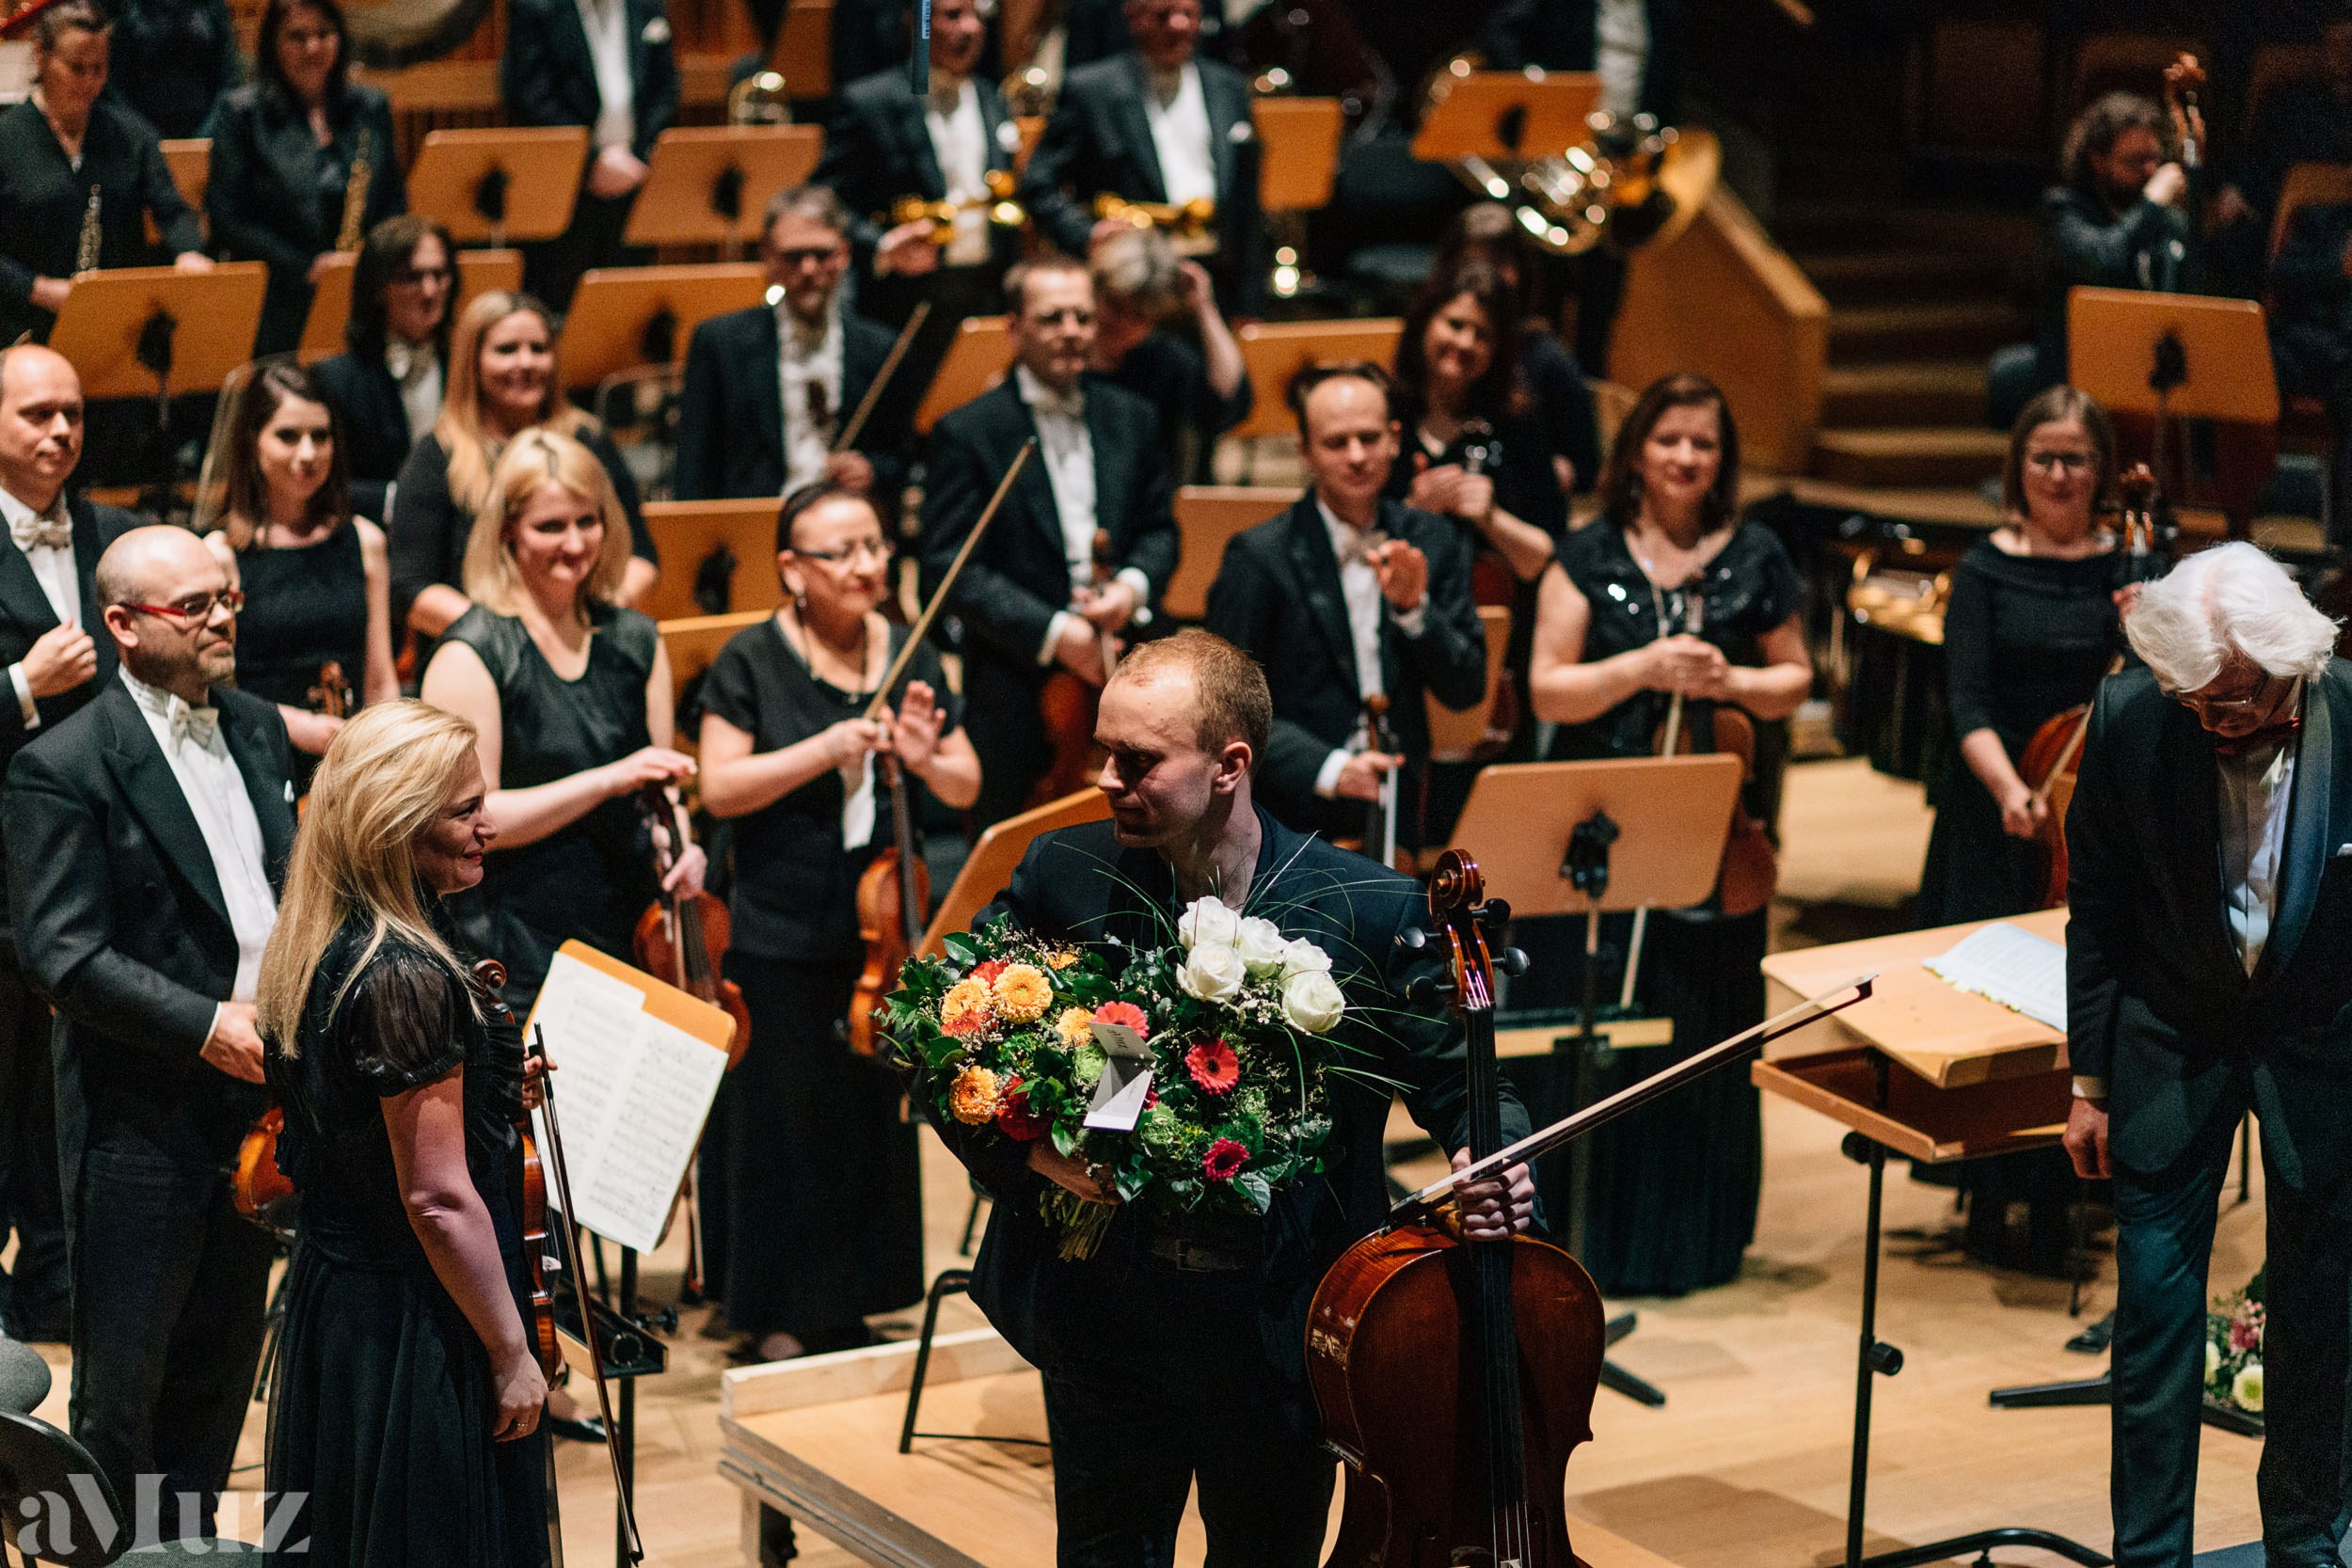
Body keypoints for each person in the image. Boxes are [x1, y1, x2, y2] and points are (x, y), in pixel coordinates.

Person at [937, 627, 1535, 1564]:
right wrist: (1030, 1151)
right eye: (1103, 750)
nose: (1105, 776)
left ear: (1230, 765)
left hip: (1276, 1321)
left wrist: (1491, 1152)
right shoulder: (1066, 872)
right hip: (1107, 1311)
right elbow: (948, 1038)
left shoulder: (1366, 908)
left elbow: (1470, 1083)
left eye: (1136, 760)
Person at [2062, 542, 2352, 1568]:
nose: (2209, 722)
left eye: (2231, 701)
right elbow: (2094, 907)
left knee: (2321, 1325)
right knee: (2152, 1329)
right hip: (2166, 1044)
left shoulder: (2349, 712)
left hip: (2323, 1055)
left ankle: (2307, 1540)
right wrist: (2087, 1082)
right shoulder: (2133, 714)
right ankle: (2148, 1556)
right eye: (2193, 699)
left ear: (2293, 658)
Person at [7, 525, 294, 1542]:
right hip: (141, 1118)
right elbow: (63, 954)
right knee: (124, 1399)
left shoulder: (255, 725)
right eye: (196, 605)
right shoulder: (63, 762)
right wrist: (205, 1021)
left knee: (218, 1384)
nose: (222, 616)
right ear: (121, 625)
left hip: (261, 1109)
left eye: (227, 598)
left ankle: (185, 1558)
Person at [1521, 371, 1809, 1297]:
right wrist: (1642, 667)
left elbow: (1793, 679)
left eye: (1704, 443)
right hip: (1602, 832)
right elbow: (1547, 686)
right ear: (1636, 451)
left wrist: (1726, 683)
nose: (1686, 457)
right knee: (1602, 1016)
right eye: (1669, 438)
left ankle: (1692, 1237)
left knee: (1700, 1028)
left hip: (1714, 836)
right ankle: (1589, 1232)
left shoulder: (1755, 553)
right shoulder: (1585, 552)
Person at [258, 700, 551, 1566]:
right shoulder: (405, 974)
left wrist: (490, 1090)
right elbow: (435, 1196)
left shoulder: (320, 934)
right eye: (464, 810)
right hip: (413, 1324)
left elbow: (357, 1112)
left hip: (341, 1310)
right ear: (394, 823)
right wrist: (510, 1352)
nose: (487, 825)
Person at [697, 482, 978, 1364]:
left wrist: (928, 758)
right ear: (792, 568)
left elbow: (968, 783)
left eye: (874, 546)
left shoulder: (913, 649)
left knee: (866, 1117)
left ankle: (858, 1295)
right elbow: (720, 785)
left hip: (882, 925)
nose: (867, 566)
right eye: (842, 551)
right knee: (782, 1120)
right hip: (779, 919)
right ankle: (776, 1310)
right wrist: (828, 747)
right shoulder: (750, 660)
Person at [1915, 386, 2122, 1275]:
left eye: (2077, 458)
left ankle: (2060, 1200)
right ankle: (1987, 1193)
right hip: (1997, 806)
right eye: (2045, 456)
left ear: (2102, 470)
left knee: (2077, 1003)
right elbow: (1966, 698)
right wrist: (2009, 787)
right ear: (2018, 466)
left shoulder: (2131, 567)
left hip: (2096, 821)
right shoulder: (1986, 569)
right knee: (1995, 1010)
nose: (2061, 474)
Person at [419, 428, 702, 1016]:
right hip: (516, 943)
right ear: (507, 531)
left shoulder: (635, 639)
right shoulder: (469, 653)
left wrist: (680, 842)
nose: (574, 543)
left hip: (631, 928)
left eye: (587, 521)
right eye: (550, 526)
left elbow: (660, 788)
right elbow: (472, 821)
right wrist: (608, 779)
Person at [917, 256, 1177, 829]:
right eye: (1051, 317)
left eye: (1082, 317)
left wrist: (1129, 590)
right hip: (1017, 676)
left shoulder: (1133, 416)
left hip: (1126, 658)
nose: (1070, 331)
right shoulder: (968, 432)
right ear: (1014, 328)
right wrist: (1057, 634)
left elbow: (1160, 531)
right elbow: (947, 566)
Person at [0, 346, 137, 1347]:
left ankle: (63, 1286)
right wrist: (17, 684)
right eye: (38, 414)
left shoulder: (114, 534)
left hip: (99, 850)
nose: (60, 433)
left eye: (74, 415)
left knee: (77, 1082)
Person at [1203, 361, 1486, 847]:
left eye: (1370, 438)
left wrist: (1415, 611)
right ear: (1305, 452)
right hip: (1291, 812)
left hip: (1401, 804)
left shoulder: (1432, 540)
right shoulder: (1258, 557)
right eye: (1336, 442)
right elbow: (1224, 707)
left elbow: (1466, 688)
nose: (1357, 456)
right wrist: (1331, 768)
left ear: (1395, 440)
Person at [390, 290, 660, 652]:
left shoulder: (588, 438)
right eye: (506, 350)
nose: (526, 362)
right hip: (481, 657)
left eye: (539, 348)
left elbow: (641, 557)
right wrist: (507, 638)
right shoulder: (437, 455)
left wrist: (599, 615)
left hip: (580, 648)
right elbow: (411, 587)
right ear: (472, 362)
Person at [200, 358, 398, 771]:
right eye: (288, 436)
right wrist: (294, 725)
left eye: (320, 436)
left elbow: (380, 678)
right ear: (254, 442)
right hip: (260, 757)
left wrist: (388, 756)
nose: (308, 453)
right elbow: (214, 689)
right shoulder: (220, 554)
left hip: (352, 759)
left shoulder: (365, 541)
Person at [812, 0, 1021, 386]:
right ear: (916, 25)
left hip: (983, 291)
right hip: (903, 298)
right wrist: (882, 244)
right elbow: (824, 203)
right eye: (953, 15)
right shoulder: (869, 102)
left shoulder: (993, 97)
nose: (971, 28)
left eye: (977, 16)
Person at [1021, 0, 1265, 318]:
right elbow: (1038, 183)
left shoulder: (1228, 87)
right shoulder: (1092, 90)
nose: (1177, 25)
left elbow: (1248, 203)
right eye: (1163, 15)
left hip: (1217, 277)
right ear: (1134, 19)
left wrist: (1250, 302)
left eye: (1187, 15)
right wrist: (1086, 234)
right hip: (1129, 285)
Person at [673, 187, 909, 508]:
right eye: (793, 256)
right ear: (767, 256)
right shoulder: (719, 343)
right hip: (756, 528)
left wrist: (871, 471)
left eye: (822, 254)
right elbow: (695, 464)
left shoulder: (882, 348)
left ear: (844, 254)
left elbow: (902, 458)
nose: (809, 269)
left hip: (843, 525)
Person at [0, 0, 212, 347]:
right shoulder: (7, 138)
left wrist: (187, 249)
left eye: (98, 69)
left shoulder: (129, 134)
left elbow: (172, 209)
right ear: (40, 55)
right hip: (23, 327)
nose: (89, 82)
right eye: (76, 68)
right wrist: (37, 288)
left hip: (113, 326)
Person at [202, 0, 407, 356]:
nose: (312, 48)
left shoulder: (370, 107)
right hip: (278, 295)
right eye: (297, 37)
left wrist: (364, 261)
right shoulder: (241, 114)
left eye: (324, 34)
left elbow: (393, 202)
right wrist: (307, 268)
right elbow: (227, 218)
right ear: (273, 44)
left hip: (361, 286)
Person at [501, 0, 679, 310]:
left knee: (629, 304)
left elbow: (665, 89)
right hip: (563, 187)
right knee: (558, 304)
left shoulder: (648, 6)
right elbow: (529, 95)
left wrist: (640, 158)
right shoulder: (536, 8)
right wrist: (591, 162)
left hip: (637, 179)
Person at [1429, 200, 1602, 500]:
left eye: (1505, 262)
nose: (1493, 276)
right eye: (1476, 263)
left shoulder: (1548, 361)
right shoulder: (1433, 347)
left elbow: (1585, 467)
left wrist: (1536, 473)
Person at [2033, 93, 2192, 388]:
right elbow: (2104, 261)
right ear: (2098, 161)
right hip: (2075, 374)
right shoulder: (2063, 209)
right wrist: (2151, 204)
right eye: (2135, 161)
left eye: (2154, 159)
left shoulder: (2163, 217)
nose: (2149, 172)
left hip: (2143, 367)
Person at [312, 214, 457, 522]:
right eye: (411, 277)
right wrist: (406, 502)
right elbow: (323, 484)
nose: (430, 291)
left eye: (439, 274)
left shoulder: (468, 365)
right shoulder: (335, 380)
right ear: (379, 289)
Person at [1089, 225, 1250, 485]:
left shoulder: (1162, 358)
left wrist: (1204, 307)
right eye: (1115, 305)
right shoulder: (1067, 351)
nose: (1123, 323)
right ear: (1097, 289)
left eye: (1140, 315)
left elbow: (1225, 402)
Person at [100, 0, 240, 140]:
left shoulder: (212, 5)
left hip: (208, 131)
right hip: (138, 133)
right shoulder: (128, 7)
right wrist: (145, 137)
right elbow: (114, 85)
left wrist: (207, 134)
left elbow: (229, 78)